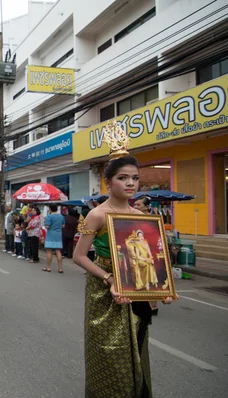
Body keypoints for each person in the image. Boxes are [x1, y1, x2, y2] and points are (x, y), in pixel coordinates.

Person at [73, 122, 174, 397]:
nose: (130, 183)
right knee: (108, 353)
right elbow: (78, 256)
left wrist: (161, 288)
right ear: (108, 182)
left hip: (137, 290)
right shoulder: (93, 215)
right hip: (105, 292)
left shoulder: (143, 217)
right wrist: (108, 278)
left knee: (138, 349)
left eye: (134, 177)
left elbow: (153, 259)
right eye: (122, 178)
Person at [132, 197, 159, 315]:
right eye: (135, 205)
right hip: (138, 253)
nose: (135, 207)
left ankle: (153, 305)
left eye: (138, 205)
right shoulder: (132, 219)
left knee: (151, 278)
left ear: (147, 207)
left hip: (150, 252)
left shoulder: (153, 220)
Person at [43, 204, 65, 273]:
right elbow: (63, 225)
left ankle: (48, 267)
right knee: (58, 251)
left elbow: (47, 226)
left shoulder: (49, 216)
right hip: (58, 234)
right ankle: (60, 268)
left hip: (51, 234)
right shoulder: (61, 216)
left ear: (50, 209)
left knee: (49, 251)